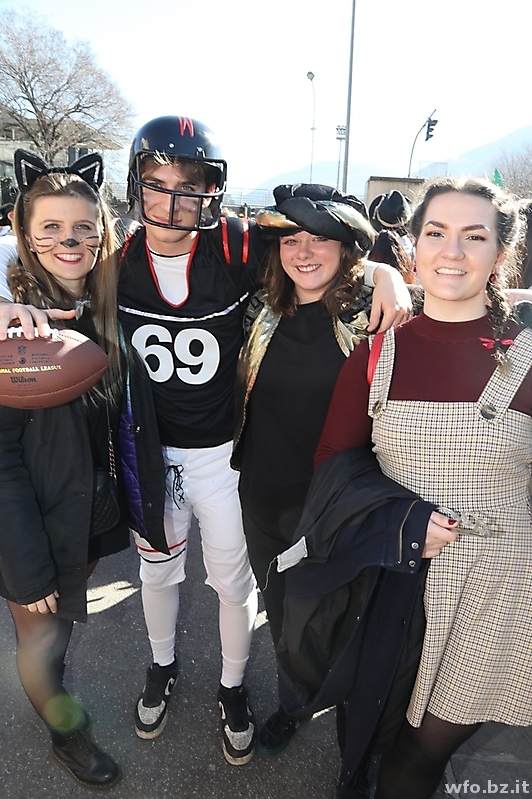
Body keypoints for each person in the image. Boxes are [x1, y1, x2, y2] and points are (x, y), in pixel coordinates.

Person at [0, 116, 413, 766]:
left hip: (223, 454)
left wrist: (382, 270)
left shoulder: (236, 246)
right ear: (135, 185)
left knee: (230, 579)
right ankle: (161, 665)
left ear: (211, 191)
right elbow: (35, 280)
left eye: (189, 187)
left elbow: (319, 246)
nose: (172, 202)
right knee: (156, 571)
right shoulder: (109, 263)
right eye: (157, 184)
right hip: (147, 454)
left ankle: (231, 685)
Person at [315, 177, 532, 798]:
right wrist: (398, 522)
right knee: (370, 719)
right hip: (392, 581)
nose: (452, 251)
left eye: (474, 236)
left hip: (499, 590)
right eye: (436, 233)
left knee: (422, 749)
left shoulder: (527, 357)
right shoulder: (376, 355)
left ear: (500, 253)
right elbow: (333, 465)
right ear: (413, 246)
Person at [231, 182, 401, 758]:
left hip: (340, 506)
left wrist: (386, 271)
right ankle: (294, 702)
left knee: (347, 620)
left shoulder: (374, 316)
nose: (304, 252)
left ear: (346, 247)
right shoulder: (259, 307)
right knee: (284, 615)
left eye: (320, 238)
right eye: (291, 239)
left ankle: (357, 733)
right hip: (265, 498)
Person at [0, 149, 129, 789]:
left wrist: (382, 271)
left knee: (60, 632)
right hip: (28, 522)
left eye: (82, 226)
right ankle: (67, 737)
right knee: (40, 638)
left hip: (84, 510)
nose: (68, 241)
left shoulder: (107, 305)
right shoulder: (16, 324)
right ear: (24, 235)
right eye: (49, 227)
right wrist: (24, 568)